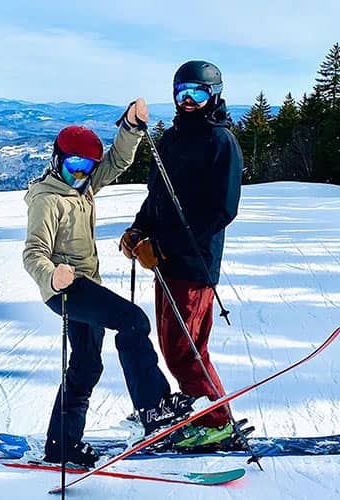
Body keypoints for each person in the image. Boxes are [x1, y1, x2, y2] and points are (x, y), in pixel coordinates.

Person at [22, 98, 194, 468]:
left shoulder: (81, 188)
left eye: (87, 168)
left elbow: (117, 161)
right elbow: (34, 251)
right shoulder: (48, 200)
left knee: (86, 365)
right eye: (73, 166)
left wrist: (130, 128)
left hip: (82, 285)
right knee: (133, 321)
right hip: (66, 288)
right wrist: (51, 275)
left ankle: (62, 445)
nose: (81, 174)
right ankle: (153, 408)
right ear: (57, 160)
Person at [120, 61, 243, 448]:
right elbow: (158, 196)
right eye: (182, 92)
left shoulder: (220, 143)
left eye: (198, 93)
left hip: (193, 263)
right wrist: (139, 229)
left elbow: (222, 210)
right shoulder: (173, 139)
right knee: (180, 344)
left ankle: (216, 421)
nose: (188, 101)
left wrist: (165, 245)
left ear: (215, 95)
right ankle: (202, 407)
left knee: (182, 349)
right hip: (163, 261)